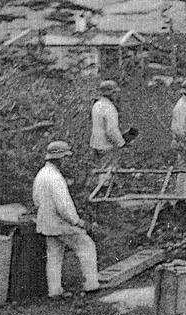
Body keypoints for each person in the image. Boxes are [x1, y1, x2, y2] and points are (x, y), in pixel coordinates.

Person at [32, 140, 100, 298]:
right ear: (59, 158)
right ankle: (91, 284)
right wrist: (77, 221)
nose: (67, 161)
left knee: (54, 255)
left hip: (46, 222)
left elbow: (36, 199)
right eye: (65, 157)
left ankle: (54, 291)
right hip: (60, 223)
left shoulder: (41, 174)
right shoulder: (55, 178)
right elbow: (64, 206)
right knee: (87, 246)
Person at [90, 80, 127, 182]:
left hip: (96, 143)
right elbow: (111, 130)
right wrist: (121, 143)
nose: (117, 95)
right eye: (115, 93)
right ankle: (104, 191)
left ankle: (100, 190)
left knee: (101, 170)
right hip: (106, 145)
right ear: (111, 94)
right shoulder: (109, 108)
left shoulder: (97, 104)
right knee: (108, 172)